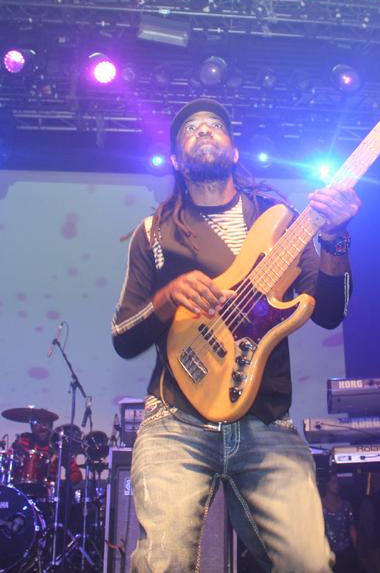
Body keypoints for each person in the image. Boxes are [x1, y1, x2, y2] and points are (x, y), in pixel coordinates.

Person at [111, 98, 360, 571]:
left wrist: (337, 237)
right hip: (176, 422)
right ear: (176, 160)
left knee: (309, 563)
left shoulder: (283, 222)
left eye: (215, 125)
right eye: (191, 128)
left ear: (235, 150)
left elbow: (331, 312)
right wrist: (169, 297)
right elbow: (123, 338)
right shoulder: (154, 233)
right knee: (163, 563)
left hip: (266, 419)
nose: (204, 130)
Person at [321, 472, 359, 573]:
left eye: (338, 482)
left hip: (345, 552)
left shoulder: (346, 505)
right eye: (333, 482)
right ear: (326, 484)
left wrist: (357, 549)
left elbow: (352, 528)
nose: (337, 485)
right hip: (326, 552)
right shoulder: (319, 505)